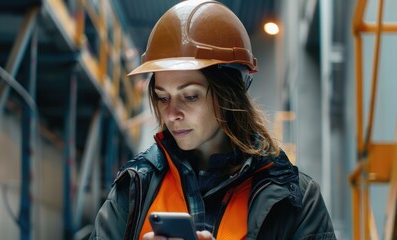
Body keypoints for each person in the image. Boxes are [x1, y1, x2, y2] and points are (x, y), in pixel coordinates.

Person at [90, 0, 336, 239]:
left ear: (230, 95)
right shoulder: (135, 187)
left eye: (189, 96)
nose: (172, 114)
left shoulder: (296, 200)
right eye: (163, 98)